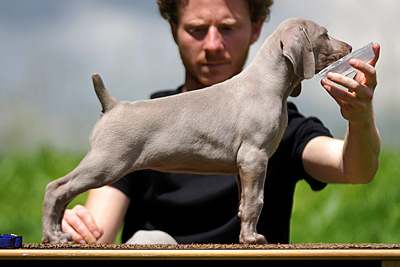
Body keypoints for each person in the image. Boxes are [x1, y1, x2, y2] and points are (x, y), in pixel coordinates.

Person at [61, 0, 381, 244]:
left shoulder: (283, 126)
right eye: (197, 30)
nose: (213, 45)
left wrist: (360, 117)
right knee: (151, 242)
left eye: (227, 28)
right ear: (174, 30)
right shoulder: (144, 120)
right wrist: (82, 226)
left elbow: (355, 168)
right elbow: (97, 231)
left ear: (257, 28)